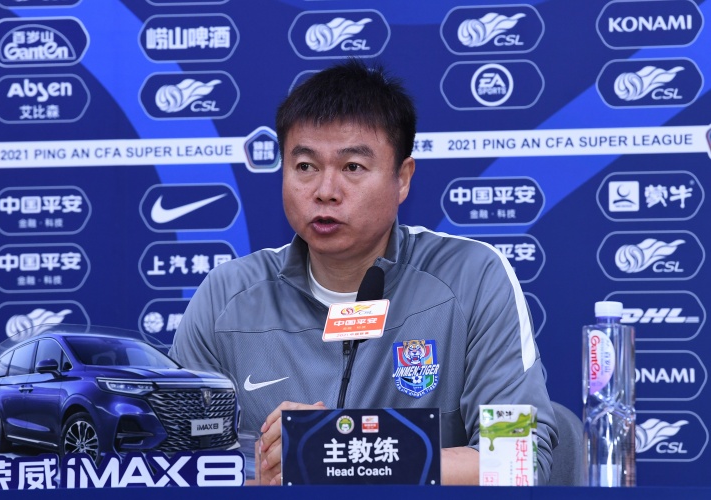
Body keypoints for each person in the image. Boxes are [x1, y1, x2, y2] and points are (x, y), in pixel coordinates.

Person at [169, 59, 558, 485]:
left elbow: (521, 457)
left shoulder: (471, 278)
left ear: (402, 179)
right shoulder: (226, 297)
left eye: (352, 167)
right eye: (305, 166)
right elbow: (169, 468)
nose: (325, 191)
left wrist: (342, 454)